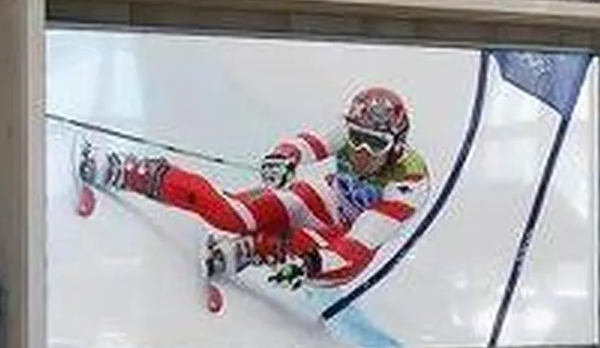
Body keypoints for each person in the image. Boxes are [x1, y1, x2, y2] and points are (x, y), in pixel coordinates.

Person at [82, 84, 429, 290]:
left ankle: (255, 249)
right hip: (327, 200)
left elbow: (358, 243)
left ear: (397, 143)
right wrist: (284, 157)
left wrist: (308, 265)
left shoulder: (409, 181)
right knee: (231, 213)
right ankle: (129, 172)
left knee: (307, 249)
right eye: (357, 138)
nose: (362, 151)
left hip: (349, 242)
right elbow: (312, 143)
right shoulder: (348, 130)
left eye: (375, 143)